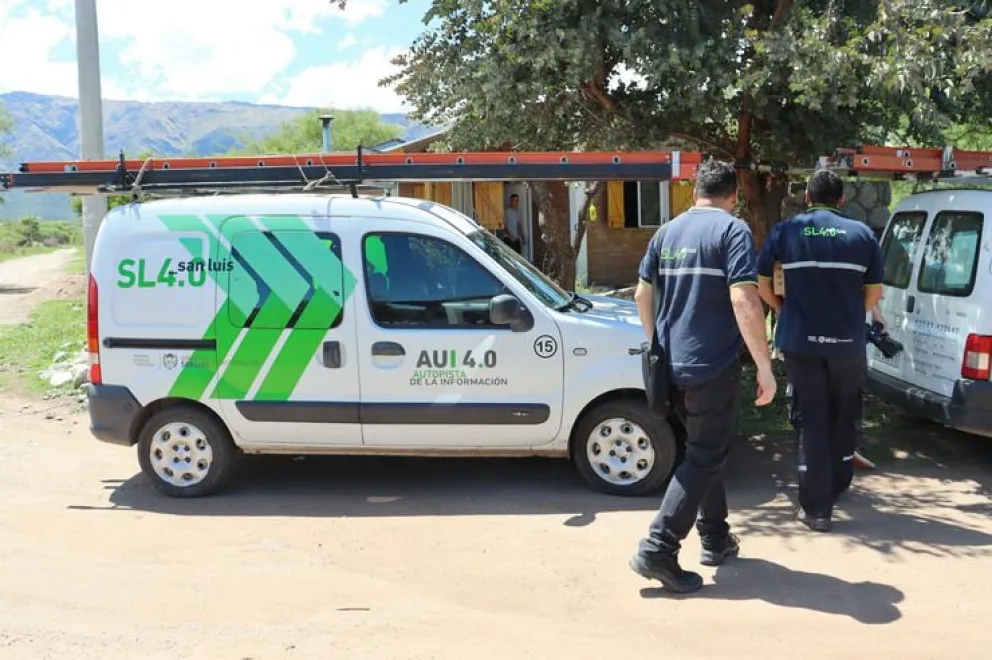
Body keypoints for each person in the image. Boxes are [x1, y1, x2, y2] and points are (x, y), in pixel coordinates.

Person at [629, 159, 777, 594]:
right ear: (733, 195)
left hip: (671, 366)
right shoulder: (732, 231)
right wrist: (764, 366)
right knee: (705, 456)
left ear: (696, 191)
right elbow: (743, 299)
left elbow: (642, 293)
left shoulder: (667, 231)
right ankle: (658, 549)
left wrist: (659, 342)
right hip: (711, 365)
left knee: (702, 452)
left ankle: (714, 538)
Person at [756, 169, 884, 532]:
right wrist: (848, 317)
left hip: (800, 341)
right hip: (847, 343)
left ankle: (816, 509)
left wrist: (781, 310)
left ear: (808, 199)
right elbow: (874, 294)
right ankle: (839, 482)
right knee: (844, 412)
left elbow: (763, 283)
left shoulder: (787, 230)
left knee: (811, 418)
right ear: (841, 200)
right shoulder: (862, 235)